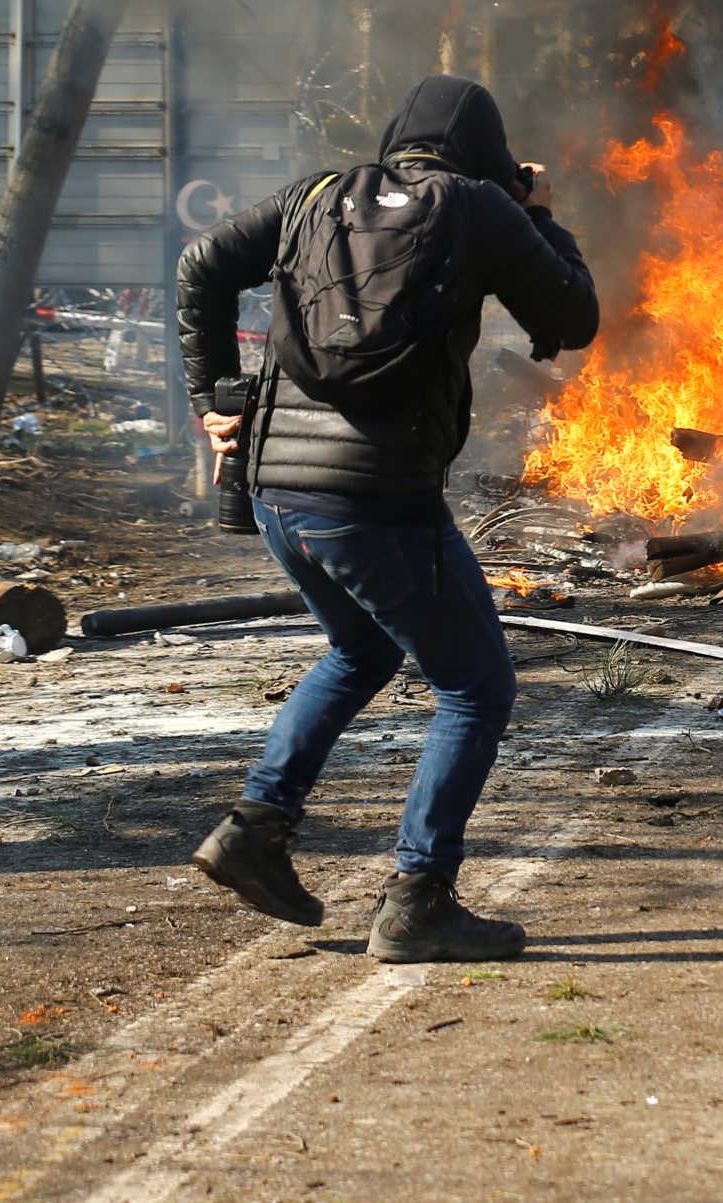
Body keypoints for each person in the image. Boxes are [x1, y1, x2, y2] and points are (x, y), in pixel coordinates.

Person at [177, 76, 598, 961]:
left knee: (361, 648)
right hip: (379, 504)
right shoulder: (479, 208)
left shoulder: (317, 196)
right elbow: (573, 314)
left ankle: (253, 829)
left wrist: (206, 400)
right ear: (484, 153)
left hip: (278, 497)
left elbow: (201, 265)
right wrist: (543, 214)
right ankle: (418, 896)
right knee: (477, 687)